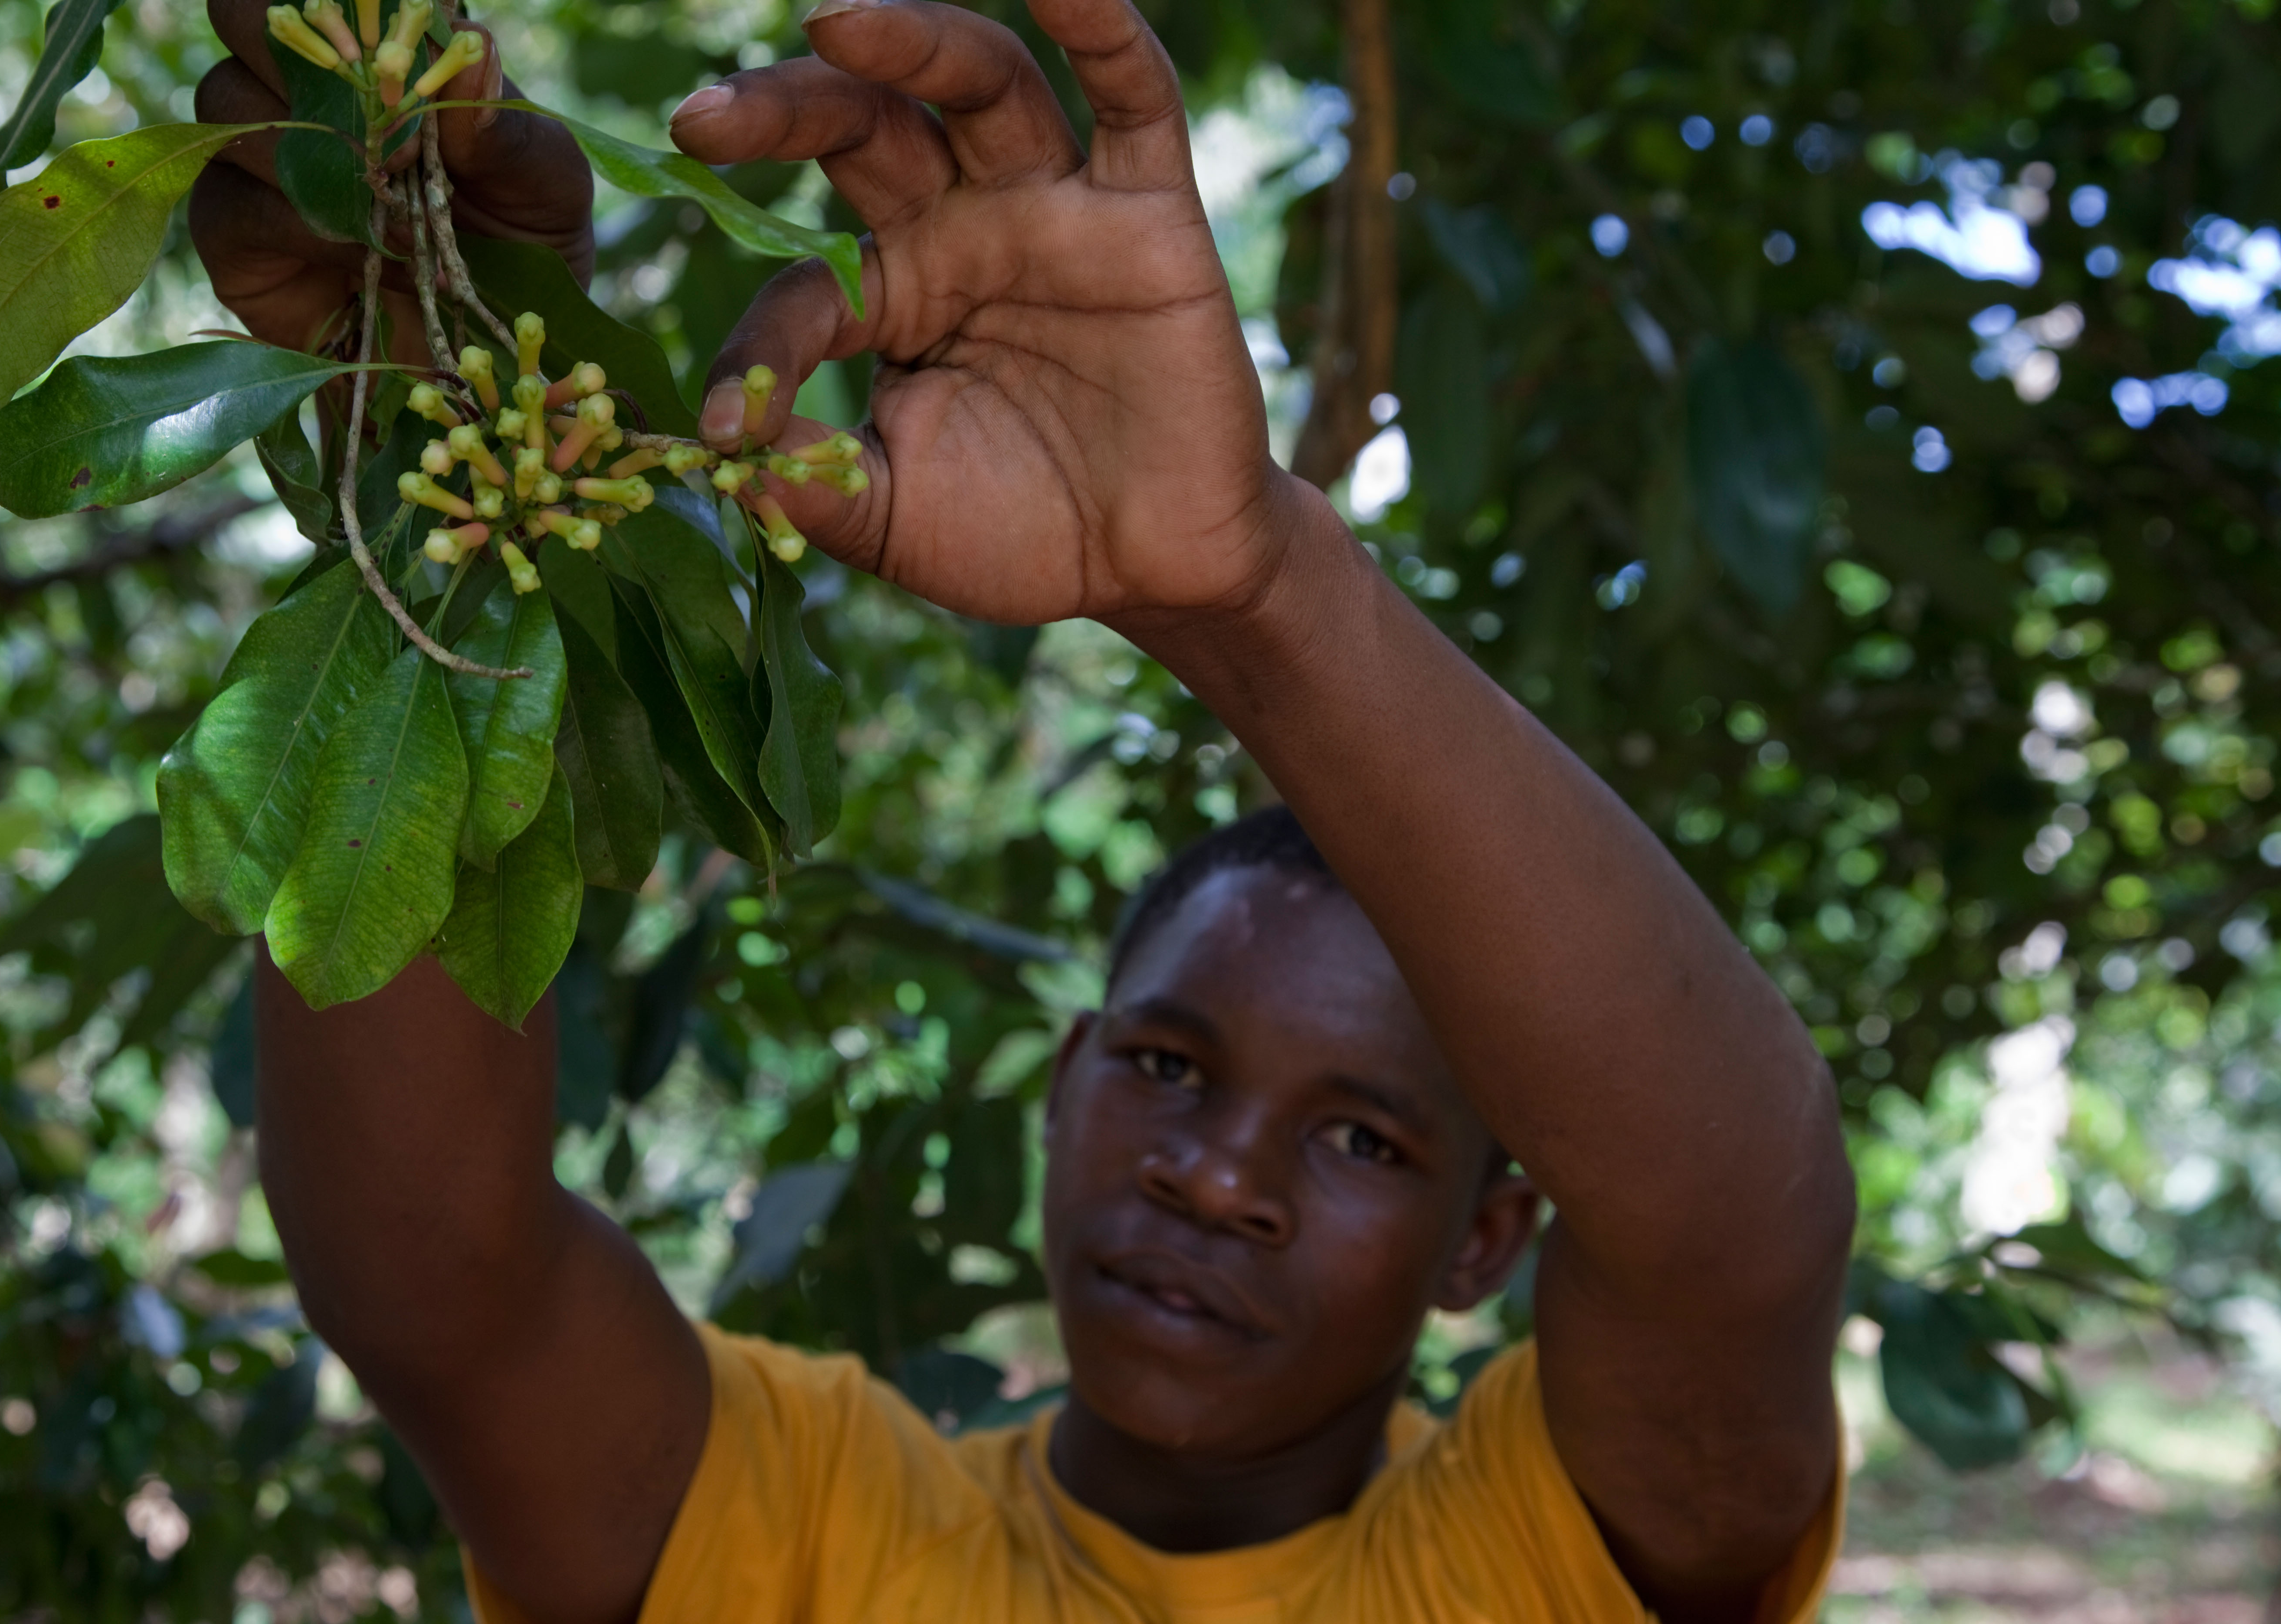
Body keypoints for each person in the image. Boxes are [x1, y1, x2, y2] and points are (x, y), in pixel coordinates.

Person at [191, 1, 1858, 1620]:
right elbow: (435, 1276)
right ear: (1066, 1088)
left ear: (1484, 1239)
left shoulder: (1519, 1565)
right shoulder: (816, 1524)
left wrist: (1245, 589)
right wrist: (445, 413)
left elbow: (1733, 1233)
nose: (1219, 1182)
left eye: (1364, 1140)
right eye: (1165, 1066)